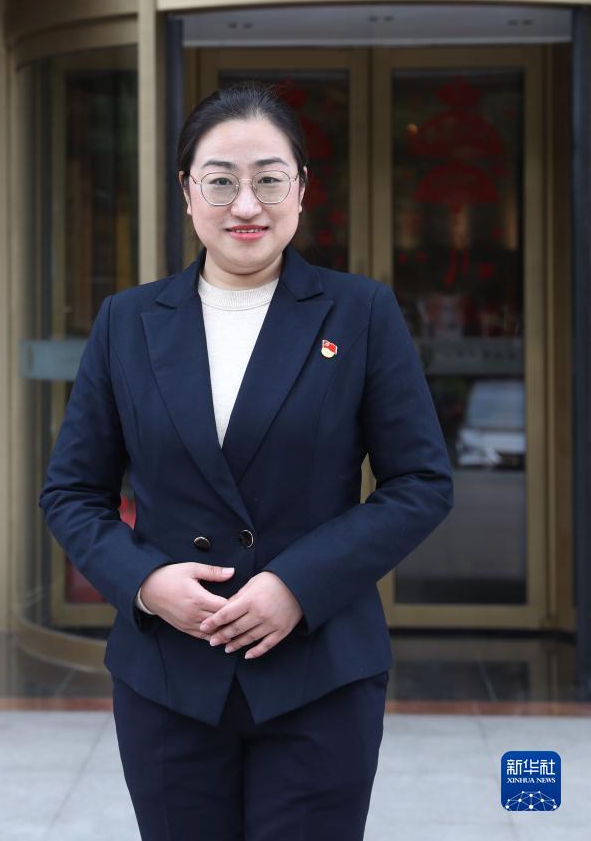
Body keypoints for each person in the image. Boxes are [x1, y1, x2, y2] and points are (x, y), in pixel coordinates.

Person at [39, 80, 454, 840]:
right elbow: (71, 491)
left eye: (269, 179)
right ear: (186, 192)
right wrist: (146, 584)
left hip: (319, 671)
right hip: (169, 675)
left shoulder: (360, 312)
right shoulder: (128, 321)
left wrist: (297, 584)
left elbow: (421, 482)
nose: (246, 204)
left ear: (301, 189)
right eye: (221, 181)